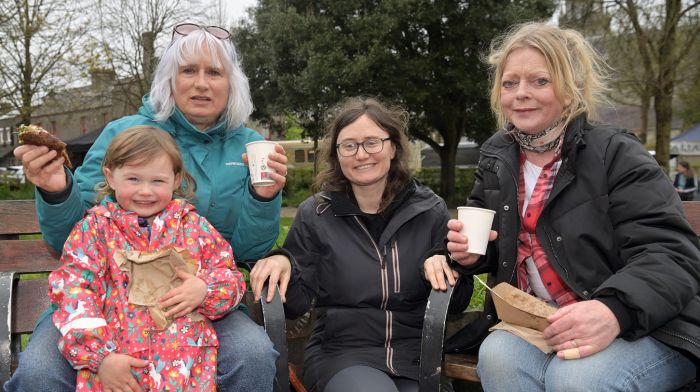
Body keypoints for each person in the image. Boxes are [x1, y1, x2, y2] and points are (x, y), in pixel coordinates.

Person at [7, 23, 285, 392]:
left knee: (252, 355)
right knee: (39, 372)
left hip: (197, 303)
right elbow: (71, 244)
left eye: (214, 72)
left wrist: (263, 197)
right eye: (188, 70)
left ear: (231, 83)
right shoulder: (123, 133)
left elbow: (246, 252)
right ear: (169, 78)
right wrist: (58, 191)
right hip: (104, 301)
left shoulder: (250, 146)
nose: (201, 83)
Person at [445, 22, 700, 391]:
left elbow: (672, 253)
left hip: (650, 324)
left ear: (570, 90)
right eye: (509, 83)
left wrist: (614, 310)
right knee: (498, 355)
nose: (521, 94)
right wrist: (467, 253)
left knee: (577, 379)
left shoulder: (617, 154)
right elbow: (491, 240)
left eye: (540, 81)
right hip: (543, 321)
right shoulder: (497, 158)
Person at [250, 97, 470, 392]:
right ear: (337, 155)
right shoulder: (316, 214)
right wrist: (282, 261)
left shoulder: (430, 211)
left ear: (392, 147)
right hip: (342, 356)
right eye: (349, 145)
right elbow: (295, 304)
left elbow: (457, 302)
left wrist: (450, 264)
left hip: (417, 358)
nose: (361, 154)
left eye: (372, 142)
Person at [49, 126, 246, 391]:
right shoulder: (93, 230)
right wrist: (100, 356)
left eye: (157, 181)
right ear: (111, 176)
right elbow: (74, 292)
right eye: (133, 179)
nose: (145, 191)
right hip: (117, 371)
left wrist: (205, 289)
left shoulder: (194, 227)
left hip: (187, 371)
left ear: (176, 180)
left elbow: (231, 277)